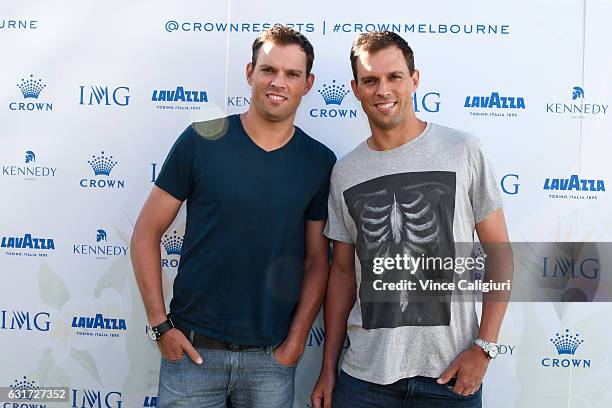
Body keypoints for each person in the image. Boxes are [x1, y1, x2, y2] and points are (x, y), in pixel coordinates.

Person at [131, 25, 336, 408]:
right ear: (249, 73)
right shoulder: (201, 139)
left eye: (292, 74)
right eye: (268, 70)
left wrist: (294, 344)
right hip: (192, 352)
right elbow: (146, 233)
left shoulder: (319, 161)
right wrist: (160, 326)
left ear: (307, 84)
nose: (278, 82)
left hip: (270, 361)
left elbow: (317, 262)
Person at [312, 31, 511, 408]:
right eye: (370, 80)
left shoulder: (463, 150)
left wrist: (485, 348)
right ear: (355, 88)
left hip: (449, 379)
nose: (382, 90)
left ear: (414, 79)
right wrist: (328, 368)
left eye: (394, 77)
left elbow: (499, 253)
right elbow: (341, 274)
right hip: (364, 379)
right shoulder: (346, 172)